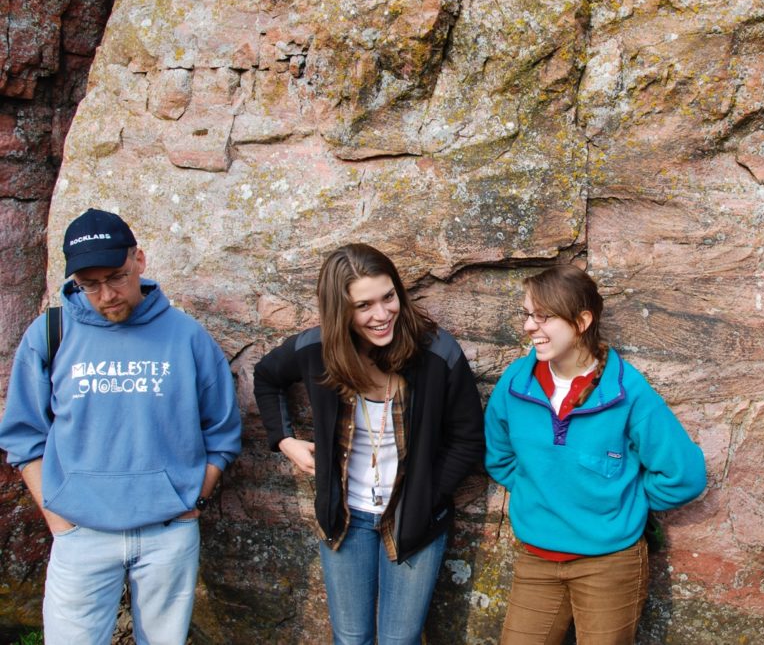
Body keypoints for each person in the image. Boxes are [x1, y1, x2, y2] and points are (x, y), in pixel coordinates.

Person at [0, 208, 242, 645]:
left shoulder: (186, 336)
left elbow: (222, 432)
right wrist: (56, 517)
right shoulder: (49, 334)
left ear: (140, 261)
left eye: (116, 276)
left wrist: (193, 500)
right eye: (89, 285)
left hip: (168, 533)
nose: (106, 294)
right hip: (79, 534)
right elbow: (23, 437)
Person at [252, 243, 485, 645]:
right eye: (363, 306)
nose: (381, 315)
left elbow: (468, 438)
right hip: (345, 519)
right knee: (351, 637)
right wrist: (284, 439)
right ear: (339, 310)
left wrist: (427, 496)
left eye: (388, 297)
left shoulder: (438, 353)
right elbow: (266, 376)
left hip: (414, 523)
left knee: (400, 640)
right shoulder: (316, 350)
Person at [485, 264, 707, 645]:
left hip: (610, 563)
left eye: (544, 317)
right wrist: (539, 491)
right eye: (527, 315)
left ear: (582, 320)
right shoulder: (515, 384)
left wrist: (623, 502)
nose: (528, 327)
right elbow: (500, 457)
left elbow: (684, 475)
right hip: (537, 558)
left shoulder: (627, 390)